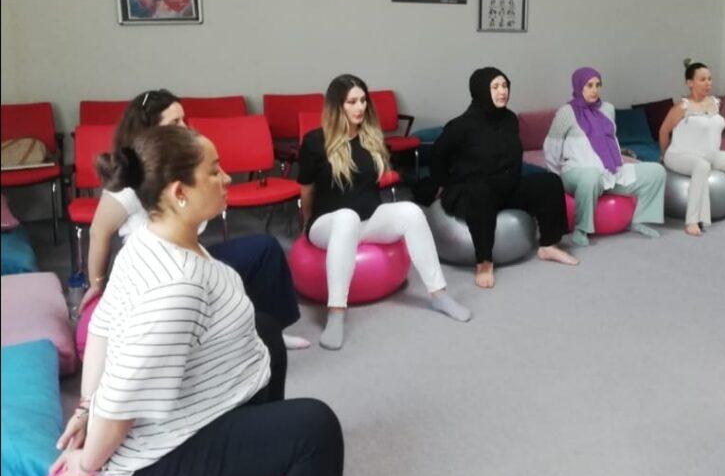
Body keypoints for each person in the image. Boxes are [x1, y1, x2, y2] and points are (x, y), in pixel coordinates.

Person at [44, 125, 343, 476]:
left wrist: (85, 406)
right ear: (179, 193)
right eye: (214, 171)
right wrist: (86, 464)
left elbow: (102, 328)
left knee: (265, 331)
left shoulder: (147, 239)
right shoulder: (177, 289)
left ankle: (267, 460)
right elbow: (120, 404)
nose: (227, 178)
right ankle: (283, 451)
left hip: (181, 417)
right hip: (157, 462)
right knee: (316, 428)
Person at [83, 90, 308, 349]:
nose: (184, 127)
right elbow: (99, 232)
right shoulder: (132, 179)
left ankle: (271, 332)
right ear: (150, 129)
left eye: (184, 120)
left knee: (265, 249)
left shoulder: (179, 166)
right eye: (174, 122)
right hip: (161, 273)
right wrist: (97, 285)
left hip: (190, 256)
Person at [298, 74, 471, 350]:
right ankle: (336, 314)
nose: (360, 107)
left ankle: (439, 295)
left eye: (363, 100)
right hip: (327, 224)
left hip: (367, 220)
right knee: (347, 217)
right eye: (352, 102)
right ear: (336, 106)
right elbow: (306, 190)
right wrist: (306, 223)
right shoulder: (315, 141)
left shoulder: (371, 138)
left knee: (411, 212)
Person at [429, 67, 578, 288]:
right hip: (471, 192)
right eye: (495, 87)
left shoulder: (510, 119)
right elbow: (436, 157)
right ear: (481, 90)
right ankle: (484, 262)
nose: (502, 91)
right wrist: (447, 183)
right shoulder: (460, 126)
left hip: (505, 187)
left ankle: (549, 245)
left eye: (505, 86)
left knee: (550, 182)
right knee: (481, 191)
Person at [544, 66, 666, 246]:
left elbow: (611, 140)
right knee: (591, 176)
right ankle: (581, 229)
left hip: (610, 172)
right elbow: (551, 148)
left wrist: (616, 164)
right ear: (578, 86)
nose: (594, 90)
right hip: (576, 173)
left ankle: (640, 220)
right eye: (589, 85)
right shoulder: (566, 112)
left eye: (597, 85)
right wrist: (557, 178)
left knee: (656, 172)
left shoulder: (607, 109)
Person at [660, 62, 725, 236]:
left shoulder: (715, 103)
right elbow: (664, 131)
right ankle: (692, 221)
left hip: (711, 155)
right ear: (690, 83)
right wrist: (665, 155)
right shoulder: (681, 107)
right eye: (702, 79)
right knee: (701, 166)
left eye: (710, 79)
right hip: (680, 155)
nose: (708, 83)